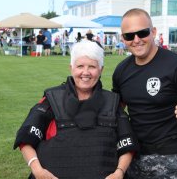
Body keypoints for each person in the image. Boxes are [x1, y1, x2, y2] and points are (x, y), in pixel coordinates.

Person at [112, 8, 177, 179]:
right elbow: (116, 109)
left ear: (153, 32)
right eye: (129, 36)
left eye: (142, 33)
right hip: (135, 156)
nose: (136, 40)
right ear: (122, 38)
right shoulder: (122, 71)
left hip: (173, 159)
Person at [14, 40, 139, 179]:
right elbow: (26, 139)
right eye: (80, 66)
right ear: (71, 68)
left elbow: (127, 145)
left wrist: (119, 172)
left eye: (92, 66)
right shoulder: (52, 99)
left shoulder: (113, 102)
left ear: (101, 69)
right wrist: (38, 171)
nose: (85, 72)